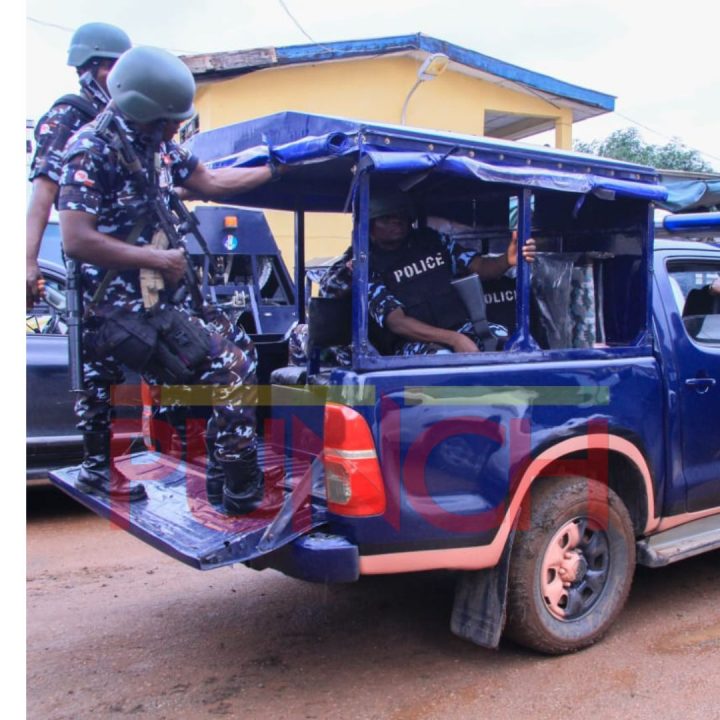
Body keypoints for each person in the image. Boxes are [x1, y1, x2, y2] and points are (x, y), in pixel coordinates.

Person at [57, 45, 285, 514]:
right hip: (118, 310)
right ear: (142, 110)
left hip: (160, 298)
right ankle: (241, 488)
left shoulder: (154, 143)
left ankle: (221, 474)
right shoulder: (90, 150)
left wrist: (277, 169)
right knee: (231, 366)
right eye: (169, 121)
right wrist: (156, 259)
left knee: (239, 343)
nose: (175, 130)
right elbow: (76, 239)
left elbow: (211, 182)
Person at [27, 22, 132, 309]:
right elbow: (44, 191)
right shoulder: (68, 117)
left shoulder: (119, 119)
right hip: (94, 263)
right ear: (91, 69)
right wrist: (27, 261)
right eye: (113, 68)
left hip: (129, 259)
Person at [368, 193, 536, 355]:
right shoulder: (367, 266)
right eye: (386, 218)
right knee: (443, 358)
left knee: (508, 344)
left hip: (458, 327)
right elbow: (397, 323)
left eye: (401, 215)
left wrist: (507, 260)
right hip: (412, 342)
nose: (397, 221)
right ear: (370, 225)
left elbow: (479, 267)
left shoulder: (431, 240)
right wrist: (455, 340)